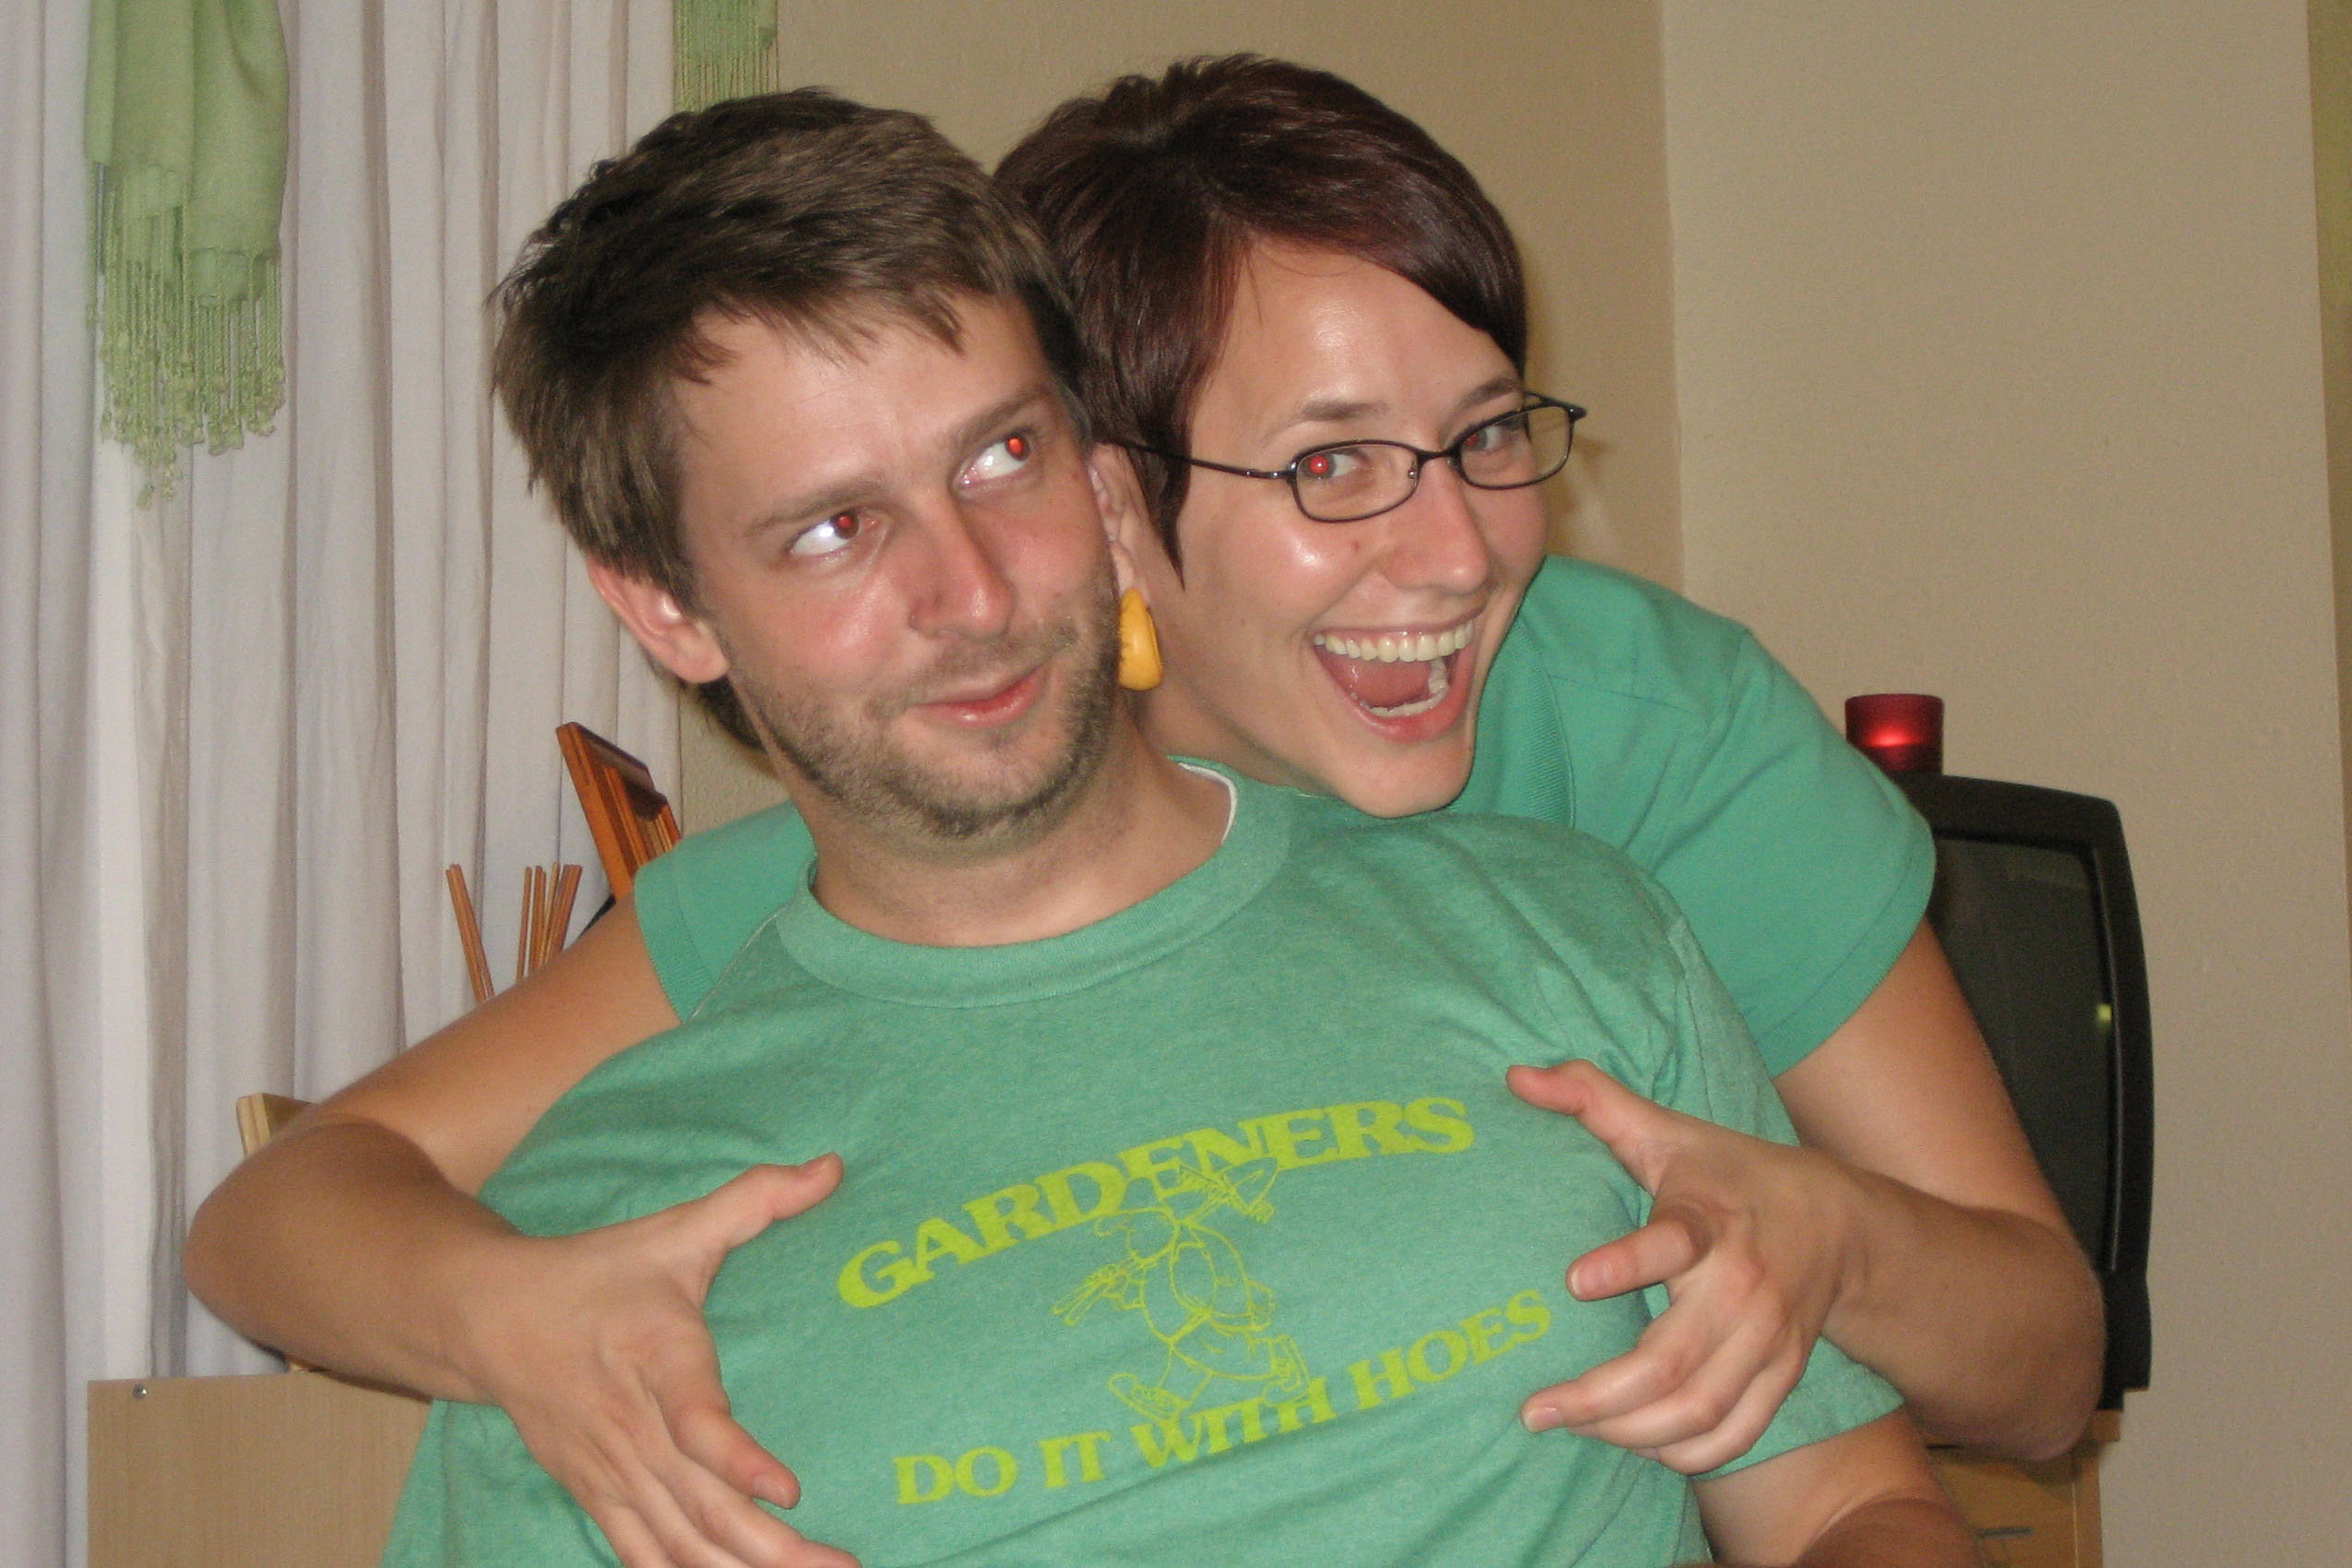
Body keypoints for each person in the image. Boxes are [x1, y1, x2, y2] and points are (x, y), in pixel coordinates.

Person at [186, 57, 2097, 1568]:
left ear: (1091, 487)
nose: (965, 590)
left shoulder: (1592, 871)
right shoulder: (628, 1189)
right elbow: (293, 1202)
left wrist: (1832, 1240)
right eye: (834, 528)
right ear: (667, 611)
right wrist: (500, 1314)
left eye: (999, 456)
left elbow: (1897, 1464)